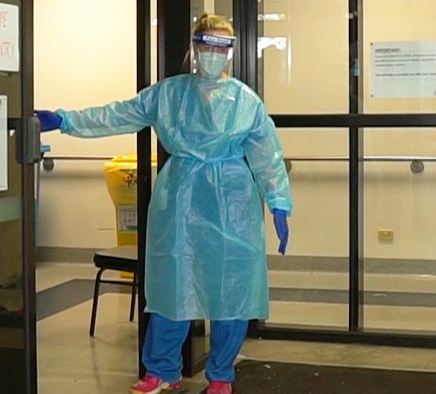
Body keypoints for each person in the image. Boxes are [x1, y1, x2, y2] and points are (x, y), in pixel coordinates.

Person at [35, 13, 292, 394]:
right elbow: (119, 114)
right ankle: (161, 371)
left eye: (222, 47)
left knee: (232, 287)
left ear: (232, 52)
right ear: (194, 46)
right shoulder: (168, 94)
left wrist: (279, 200)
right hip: (181, 196)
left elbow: (267, 154)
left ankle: (221, 376)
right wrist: (66, 120)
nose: (213, 53)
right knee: (172, 281)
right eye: (206, 44)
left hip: (232, 201)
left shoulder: (246, 102)